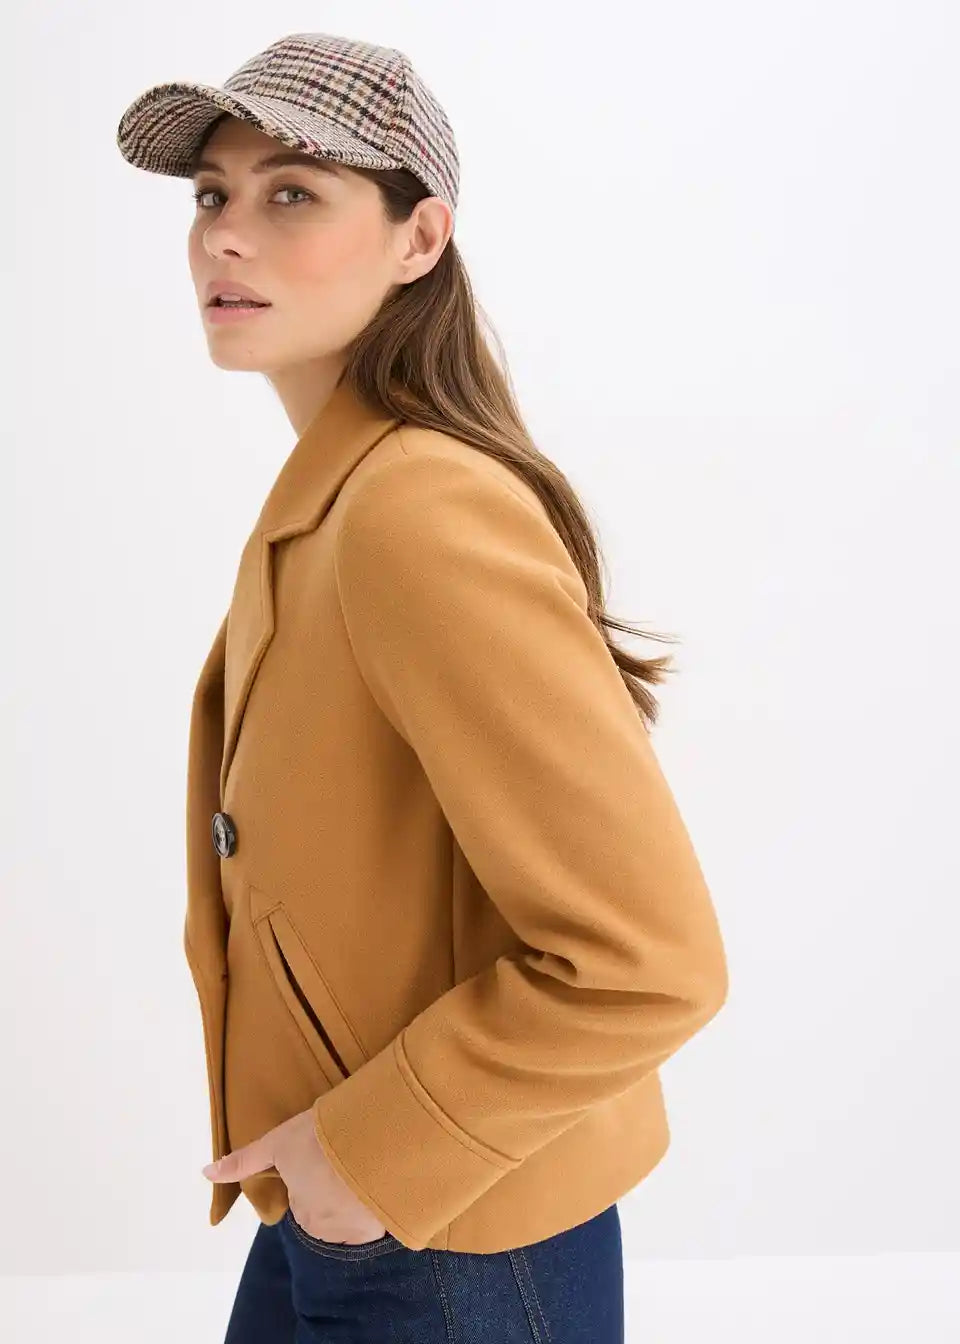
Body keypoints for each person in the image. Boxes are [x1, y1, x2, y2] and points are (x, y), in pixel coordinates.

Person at [116, 30, 729, 1344]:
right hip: (353, 1191)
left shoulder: (414, 510)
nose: (228, 235)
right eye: (212, 195)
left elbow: (649, 962)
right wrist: (333, 1167)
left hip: (445, 1229)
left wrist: (364, 1159)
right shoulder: (345, 495)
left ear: (420, 237)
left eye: (293, 193)